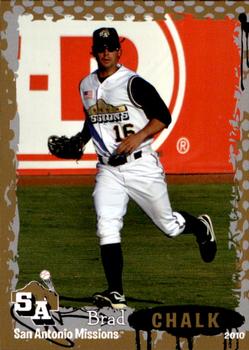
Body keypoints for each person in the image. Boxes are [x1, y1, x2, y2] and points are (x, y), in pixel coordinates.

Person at [78, 27, 217, 309]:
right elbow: (91, 121)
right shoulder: (86, 85)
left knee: (169, 226)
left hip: (141, 166)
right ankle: (115, 292)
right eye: (101, 48)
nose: (106, 52)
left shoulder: (132, 83)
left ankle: (199, 226)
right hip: (108, 170)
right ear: (93, 51)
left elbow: (163, 116)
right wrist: (77, 142)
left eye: (111, 47)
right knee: (107, 225)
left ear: (120, 51)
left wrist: (137, 137)